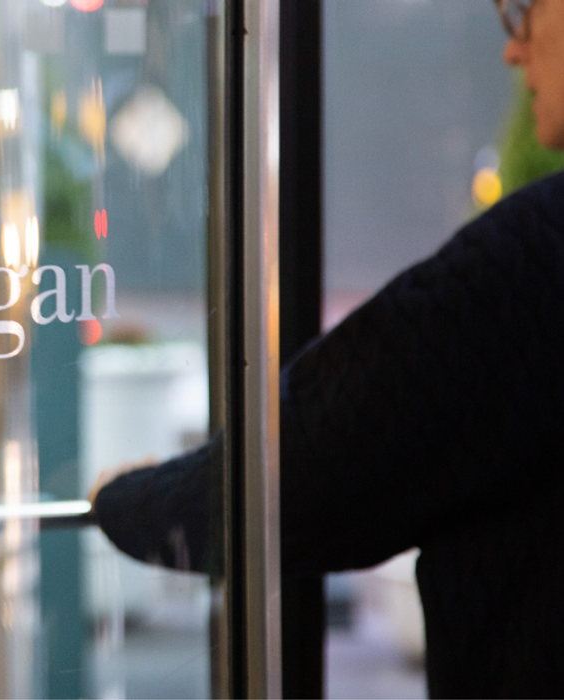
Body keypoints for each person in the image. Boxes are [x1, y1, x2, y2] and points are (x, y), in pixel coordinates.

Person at [89, 0, 564, 696]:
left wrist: (128, 499)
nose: (511, 49)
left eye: (525, 12)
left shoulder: (533, 261)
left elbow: (312, 463)